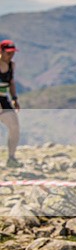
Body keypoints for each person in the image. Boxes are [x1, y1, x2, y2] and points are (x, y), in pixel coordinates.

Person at [0, 39, 21, 168]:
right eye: (8, 53)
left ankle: (11, 158)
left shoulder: (12, 66)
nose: (11, 55)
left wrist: (14, 98)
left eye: (12, 53)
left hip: (3, 98)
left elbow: (11, 82)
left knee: (15, 126)